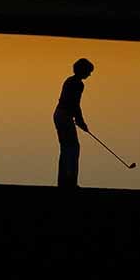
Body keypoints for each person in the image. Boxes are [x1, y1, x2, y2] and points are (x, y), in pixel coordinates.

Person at [53, 58, 94, 190]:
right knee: (73, 148)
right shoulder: (78, 84)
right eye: (88, 71)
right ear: (83, 71)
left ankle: (63, 182)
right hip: (64, 116)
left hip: (59, 115)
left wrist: (78, 120)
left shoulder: (69, 80)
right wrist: (81, 121)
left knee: (66, 148)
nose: (89, 74)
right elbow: (75, 104)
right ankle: (70, 183)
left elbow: (73, 104)